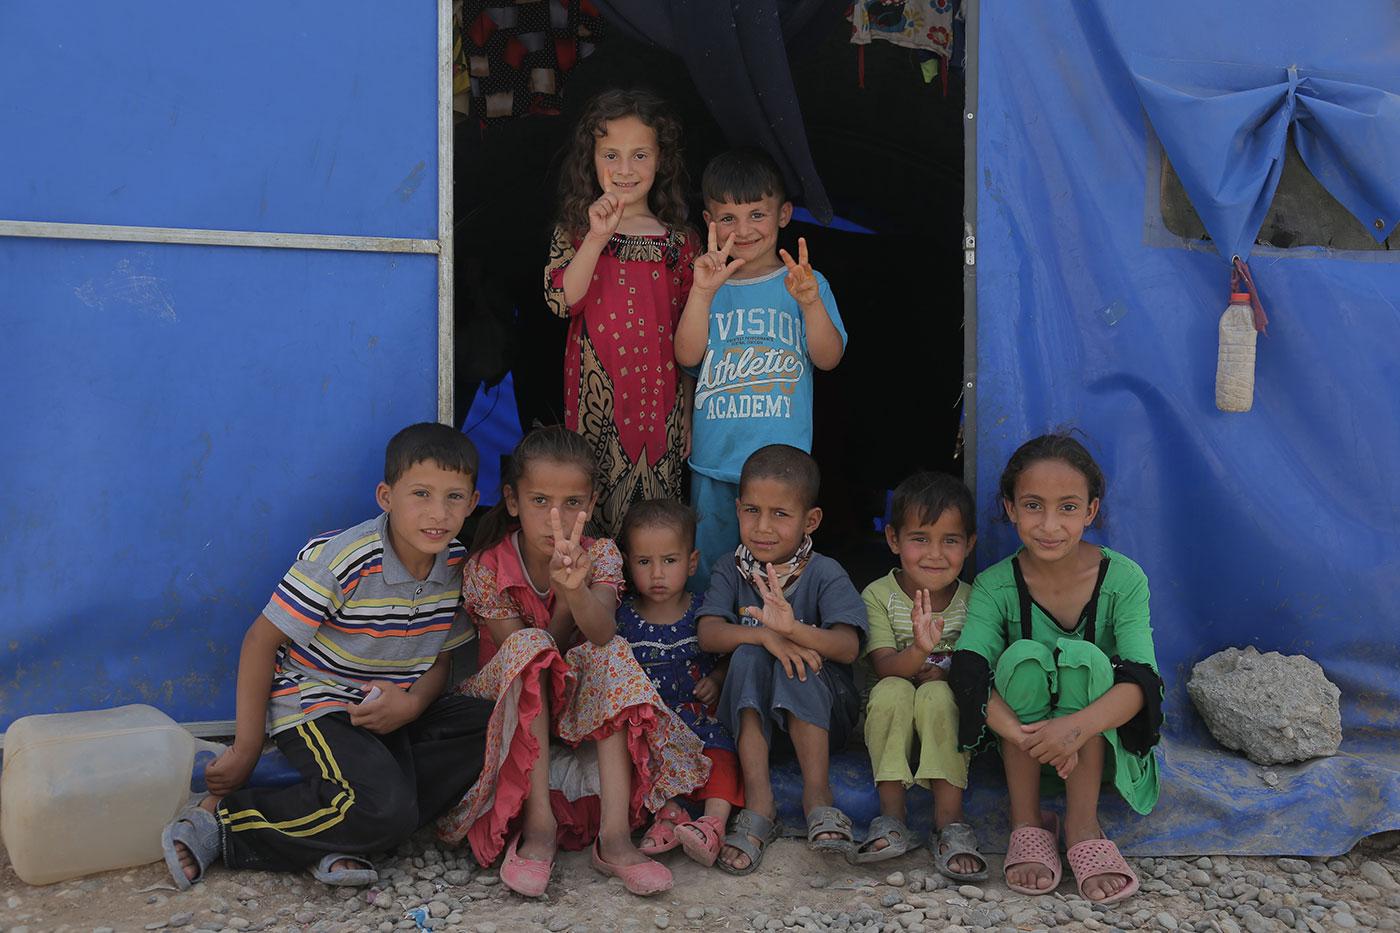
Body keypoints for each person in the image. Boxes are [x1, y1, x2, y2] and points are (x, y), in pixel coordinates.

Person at [160, 423, 494, 890]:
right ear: (386, 496)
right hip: (320, 704)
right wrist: (245, 748)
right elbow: (260, 641)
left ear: (473, 503)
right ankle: (225, 824)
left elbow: (441, 658)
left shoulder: (456, 565)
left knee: (495, 724)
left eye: (454, 497)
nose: (437, 513)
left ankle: (338, 822)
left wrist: (412, 705)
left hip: (392, 710)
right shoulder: (347, 560)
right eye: (421, 493)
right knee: (389, 811)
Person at [435, 426, 710, 898]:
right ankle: (540, 828)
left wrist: (574, 590)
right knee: (530, 647)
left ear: (592, 502)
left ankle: (616, 837)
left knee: (610, 652)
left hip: (571, 704)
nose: (555, 518)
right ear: (513, 500)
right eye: (540, 501)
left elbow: (603, 631)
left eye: (571, 503)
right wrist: (562, 602)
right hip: (503, 705)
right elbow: (530, 660)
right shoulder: (486, 567)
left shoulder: (600, 554)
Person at [949, 434, 1164, 905]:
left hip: (1095, 750)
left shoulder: (1123, 579)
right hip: (1023, 750)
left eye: (1067, 508)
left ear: (1090, 512)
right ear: (1009, 508)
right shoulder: (994, 585)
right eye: (1032, 505)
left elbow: (1143, 680)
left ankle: (1082, 827)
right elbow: (968, 671)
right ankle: (1025, 822)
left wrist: (1074, 729)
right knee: (1020, 657)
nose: (1049, 525)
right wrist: (1031, 737)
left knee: (1087, 660)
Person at [674, 148, 847, 594]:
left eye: (757, 214)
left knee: (780, 578)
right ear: (708, 220)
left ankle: (770, 648)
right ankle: (716, 651)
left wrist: (809, 302)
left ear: (784, 214)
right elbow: (687, 356)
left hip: (781, 472)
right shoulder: (706, 284)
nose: (744, 230)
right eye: (728, 218)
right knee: (711, 575)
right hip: (714, 462)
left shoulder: (806, 283)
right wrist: (701, 294)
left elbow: (828, 358)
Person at [696, 444, 868, 875]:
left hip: (824, 716)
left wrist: (793, 633)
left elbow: (848, 647)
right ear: (736, 509)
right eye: (752, 510)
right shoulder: (729, 570)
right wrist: (767, 637)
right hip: (753, 719)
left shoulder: (824, 572)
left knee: (801, 660)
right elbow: (708, 633)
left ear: (811, 520)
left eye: (780, 514)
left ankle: (817, 796)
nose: (763, 527)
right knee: (751, 658)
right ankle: (759, 803)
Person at [544, 88, 699, 538]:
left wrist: (687, 409)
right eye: (611, 155)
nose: (625, 170)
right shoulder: (574, 233)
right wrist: (596, 237)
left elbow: (691, 338)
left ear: (661, 161)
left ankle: (651, 604)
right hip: (597, 405)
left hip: (662, 404)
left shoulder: (680, 242)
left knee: (656, 521)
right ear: (590, 160)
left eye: (639, 155)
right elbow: (561, 302)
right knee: (589, 507)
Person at [856, 472, 987, 880]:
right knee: (894, 688)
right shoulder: (878, 594)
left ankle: (949, 823)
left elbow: (977, 667)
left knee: (937, 695)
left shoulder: (976, 598)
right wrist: (919, 650)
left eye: (950, 540)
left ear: (970, 544)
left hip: (944, 714)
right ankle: (892, 817)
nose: (935, 553)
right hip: (889, 711)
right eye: (920, 538)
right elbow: (883, 665)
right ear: (893, 539)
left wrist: (941, 672)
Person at [613, 499, 744, 868]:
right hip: (654, 724)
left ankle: (713, 822)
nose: (657, 574)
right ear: (628, 563)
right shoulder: (621, 618)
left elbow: (728, 656)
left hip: (701, 718)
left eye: (669, 561)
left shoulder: (705, 611)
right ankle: (669, 815)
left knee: (719, 751)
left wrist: (717, 680)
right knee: (649, 759)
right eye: (644, 562)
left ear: (691, 562)